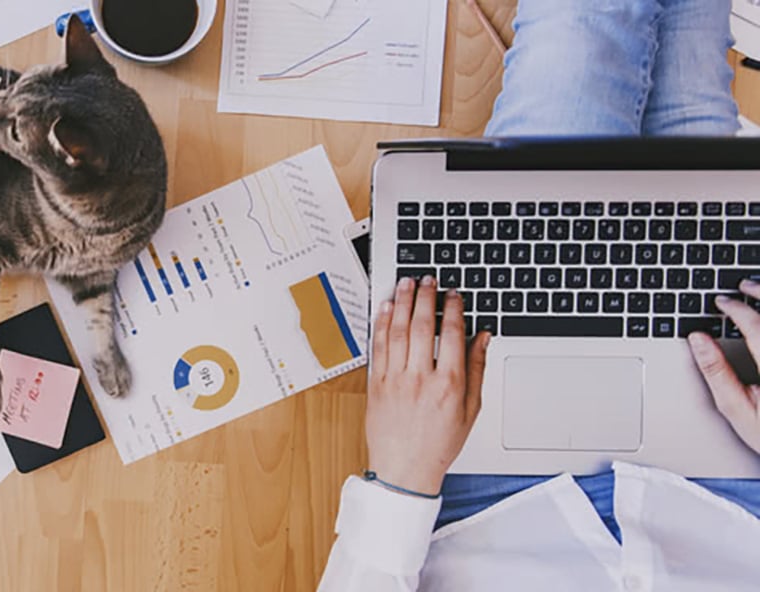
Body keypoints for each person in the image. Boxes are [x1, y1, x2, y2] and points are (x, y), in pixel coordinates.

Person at [318, 1, 760, 589]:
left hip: (474, 493)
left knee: (579, 36)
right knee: (695, 86)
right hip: (734, 498)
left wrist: (400, 481)